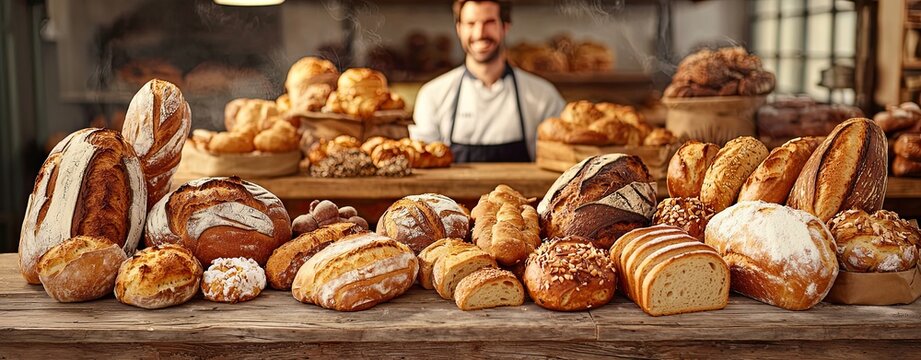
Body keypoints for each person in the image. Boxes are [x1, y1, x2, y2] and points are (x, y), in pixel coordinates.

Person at [410, 0, 565, 163]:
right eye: (470, 23)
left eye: (489, 22)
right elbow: (424, 164)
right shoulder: (432, 95)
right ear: (459, 29)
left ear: (505, 26)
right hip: (451, 190)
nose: (479, 33)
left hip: (524, 189)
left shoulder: (543, 95)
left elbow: (557, 162)